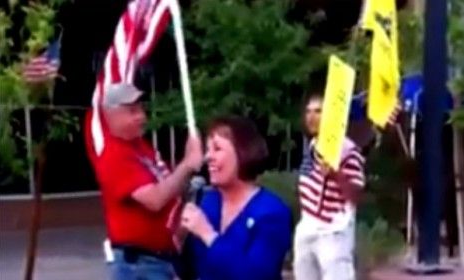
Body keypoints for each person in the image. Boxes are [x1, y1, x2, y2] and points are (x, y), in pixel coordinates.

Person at [84, 83, 203, 280]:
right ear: (111, 116)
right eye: (132, 111)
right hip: (139, 263)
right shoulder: (114, 155)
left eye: (140, 109)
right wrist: (188, 164)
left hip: (160, 259)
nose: (141, 116)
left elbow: (169, 187)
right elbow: (155, 200)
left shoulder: (141, 148)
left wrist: (190, 171)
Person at [179, 116, 293, 280]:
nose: (208, 157)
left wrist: (209, 235)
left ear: (243, 152)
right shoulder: (209, 202)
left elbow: (256, 275)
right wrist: (178, 238)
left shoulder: (272, 212)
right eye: (207, 150)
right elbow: (190, 269)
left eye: (217, 149)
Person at [293, 93, 366, 280]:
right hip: (308, 225)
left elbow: (356, 194)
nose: (311, 117)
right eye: (308, 111)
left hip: (333, 230)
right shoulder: (312, 146)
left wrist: (336, 174)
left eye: (318, 111)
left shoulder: (347, 151)